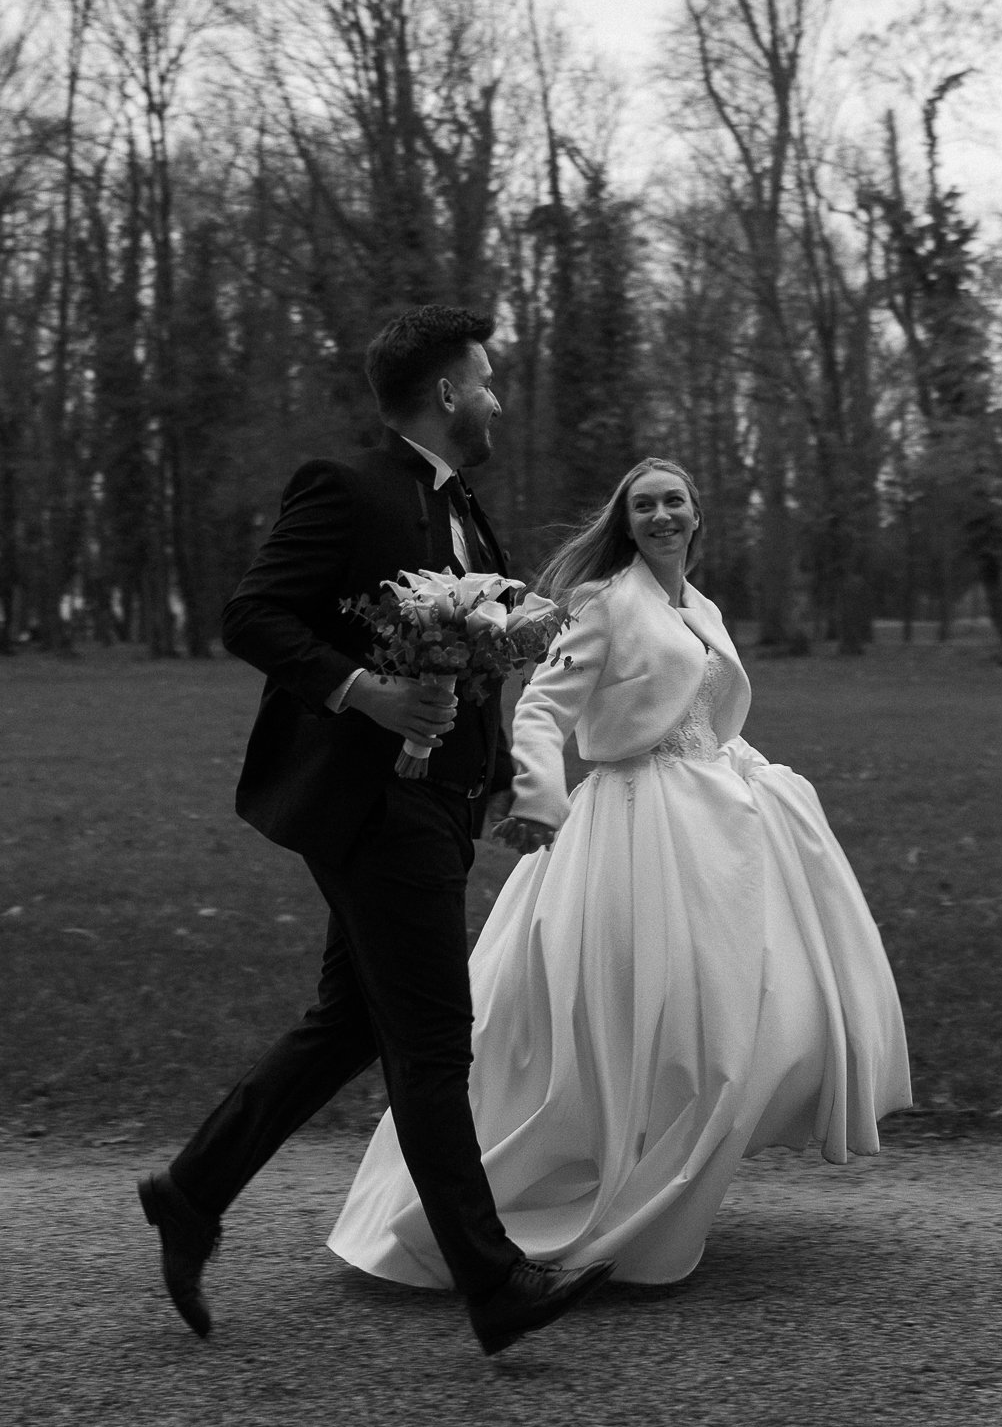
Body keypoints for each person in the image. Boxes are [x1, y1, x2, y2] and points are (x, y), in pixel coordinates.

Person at [137, 306, 611, 1356]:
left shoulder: (469, 514)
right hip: (365, 801)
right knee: (435, 1039)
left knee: (353, 1020)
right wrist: (365, 690)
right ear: (446, 392)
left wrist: (486, 777)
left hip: (438, 805)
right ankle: (497, 1284)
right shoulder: (344, 487)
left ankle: (190, 1187)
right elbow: (253, 614)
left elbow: (480, 654)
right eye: (484, 380)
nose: (494, 397)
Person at [328, 458, 911, 1289]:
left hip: (720, 827)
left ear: (696, 515)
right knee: (643, 1017)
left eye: (675, 501)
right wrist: (540, 797)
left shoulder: (700, 608)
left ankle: (663, 1178)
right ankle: (590, 1192)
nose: (662, 514)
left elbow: (704, 711)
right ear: (626, 522)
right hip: (636, 825)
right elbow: (542, 709)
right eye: (646, 505)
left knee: (749, 1010)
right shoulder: (604, 604)